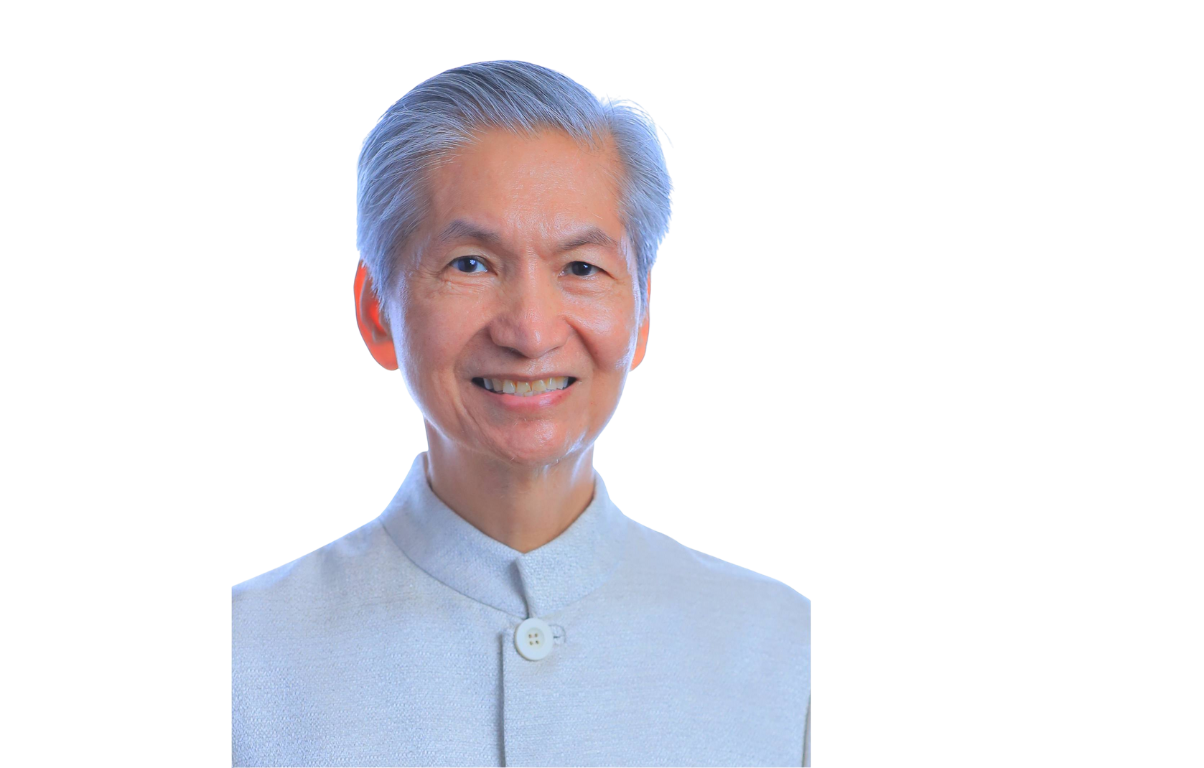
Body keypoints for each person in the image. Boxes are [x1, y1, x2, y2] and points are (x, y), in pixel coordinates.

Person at [231, 60, 811, 767]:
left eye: (581, 268)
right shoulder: (248, 654)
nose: (531, 332)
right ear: (378, 314)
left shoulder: (785, 648)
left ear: (641, 315)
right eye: (471, 264)